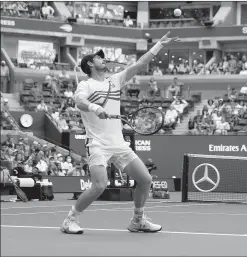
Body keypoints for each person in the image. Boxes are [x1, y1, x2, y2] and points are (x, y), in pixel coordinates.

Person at [60, 32, 179, 234]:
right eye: (98, 57)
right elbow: (79, 102)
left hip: (118, 143)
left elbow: (140, 64)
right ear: (89, 64)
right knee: (99, 185)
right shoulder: (86, 84)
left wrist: (158, 45)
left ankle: (137, 220)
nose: (103, 58)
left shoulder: (115, 81)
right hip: (97, 143)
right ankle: (70, 220)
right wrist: (97, 109)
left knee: (145, 180)